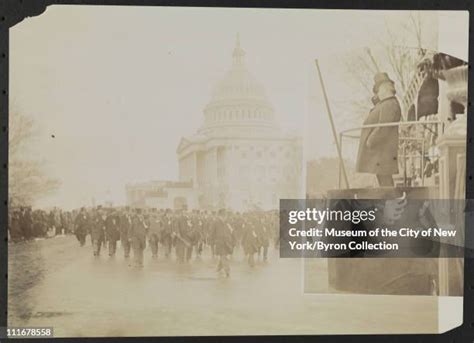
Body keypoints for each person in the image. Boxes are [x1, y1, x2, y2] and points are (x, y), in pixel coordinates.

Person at [356, 72, 401, 187]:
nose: (377, 94)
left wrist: (370, 141)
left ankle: (390, 201)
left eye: (378, 91)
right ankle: (389, 201)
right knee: (383, 180)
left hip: (382, 151)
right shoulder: (385, 104)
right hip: (380, 152)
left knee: (385, 181)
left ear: (383, 89)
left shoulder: (389, 104)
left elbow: (384, 127)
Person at [211, 209, 234, 277]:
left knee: (223, 256)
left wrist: (232, 240)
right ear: (220, 215)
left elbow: (231, 231)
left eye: (226, 215)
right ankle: (227, 271)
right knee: (224, 256)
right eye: (224, 215)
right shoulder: (215, 222)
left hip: (227, 242)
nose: (225, 216)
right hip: (219, 243)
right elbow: (212, 233)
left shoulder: (227, 222)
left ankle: (218, 268)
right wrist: (212, 241)